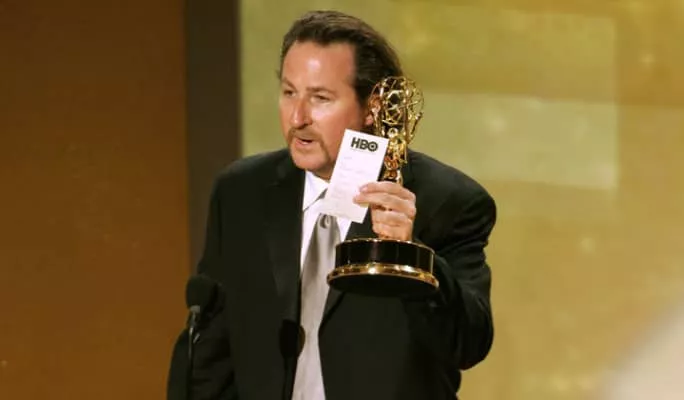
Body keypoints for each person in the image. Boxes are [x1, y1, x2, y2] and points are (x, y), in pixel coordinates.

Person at [168, 10, 497, 400]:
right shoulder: (242, 192)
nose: (298, 117)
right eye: (289, 92)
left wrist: (413, 257)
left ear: (373, 107)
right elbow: (210, 351)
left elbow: (468, 343)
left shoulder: (446, 201)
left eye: (320, 98)